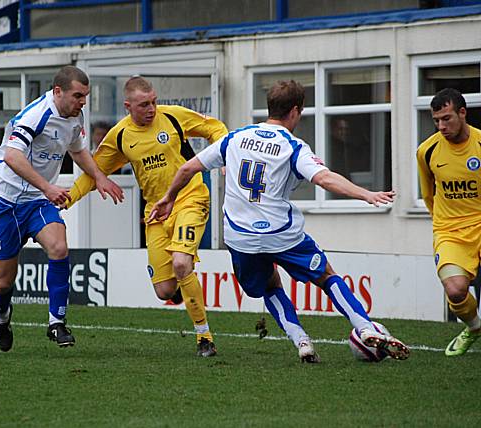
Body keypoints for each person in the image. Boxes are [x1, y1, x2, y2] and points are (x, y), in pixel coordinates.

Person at [148, 80, 410, 363]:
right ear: (295, 111)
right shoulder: (293, 146)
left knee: (270, 286)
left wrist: (169, 198)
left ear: (269, 107)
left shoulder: (235, 137)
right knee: (326, 276)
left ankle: (301, 341)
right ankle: (364, 326)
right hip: (281, 234)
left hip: (240, 237)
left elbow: (188, 168)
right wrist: (366, 194)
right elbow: (323, 177)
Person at [66, 76, 228, 357]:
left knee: (180, 262)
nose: (152, 108)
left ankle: (204, 337)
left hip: (191, 198)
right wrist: (68, 198)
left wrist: (225, 156)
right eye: (144, 105)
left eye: (153, 101)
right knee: (164, 291)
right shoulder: (119, 136)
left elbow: (215, 128)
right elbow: (94, 172)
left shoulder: (173, 117)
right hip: (156, 212)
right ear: (128, 106)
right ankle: (180, 287)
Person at [0, 65, 124, 352]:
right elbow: (12, 157)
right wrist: (48, 187)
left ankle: (56, 323)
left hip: (36, 202)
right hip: (5, 202)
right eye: (78, 96)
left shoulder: (75, 116)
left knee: (59, 247)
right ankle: (2, 318)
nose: (83, 102)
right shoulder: (36, 115)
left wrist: (99, 177)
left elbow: (77, 150)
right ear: (58, 91)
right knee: (3, 283)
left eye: (85, 96)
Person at [416, 87, 481, 357]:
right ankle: (475, 327)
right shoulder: (427, 151)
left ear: (462, 113)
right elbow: (428, 195)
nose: (441, 126)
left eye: (447, 118)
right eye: (436, 120)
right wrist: (444, 225)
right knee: (455, 290)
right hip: (450, 230)